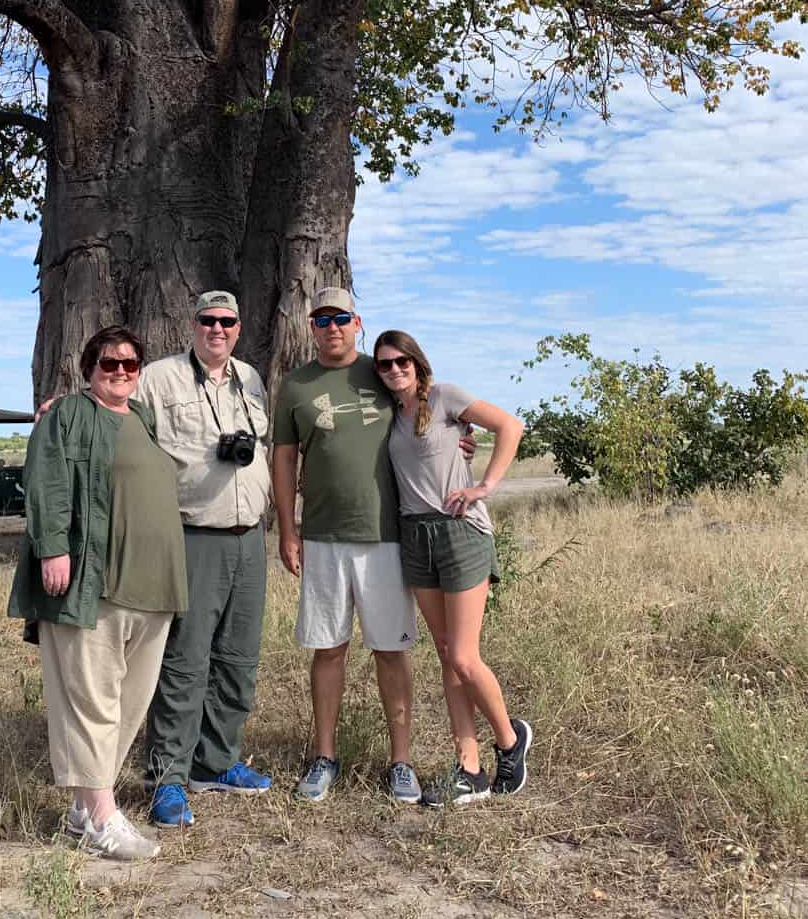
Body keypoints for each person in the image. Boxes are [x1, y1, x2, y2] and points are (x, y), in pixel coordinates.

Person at [7, 326, 188, 861]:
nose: (120, 372)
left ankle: (83, 810)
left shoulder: (144, 418)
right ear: (89, 367)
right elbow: (47, 479)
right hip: (95, 583)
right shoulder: (66, 415)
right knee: (90, 699)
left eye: (131, 365)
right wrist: (53, 547)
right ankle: (105, 818)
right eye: (109, 363)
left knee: (129, 702)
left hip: (153, 588)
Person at [271, 287, 424, 805]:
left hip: (385, 534)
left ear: (357, 322)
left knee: (391, 649)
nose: (331, 327)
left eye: (340, 318)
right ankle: (324, 756)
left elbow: (425, 417)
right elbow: (285, 460)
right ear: (310, 326)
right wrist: (287, 530)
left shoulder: (382, 370)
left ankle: (401, 761)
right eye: (321, 319)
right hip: (322, 535)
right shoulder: (295, 385)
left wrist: (461, 438)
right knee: (328, 647)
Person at [372, 329, 532, 806]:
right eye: (384, 364)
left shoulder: (445, 398)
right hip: (415, 537)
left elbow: (511, 426)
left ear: (418, 364)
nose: (394, 370)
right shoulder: (390, 415)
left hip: (459, 531)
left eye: (402, 361)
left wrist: (484, 485)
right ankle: (469, 767)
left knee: (464, 655)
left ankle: (509, 741)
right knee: (445, 654)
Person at [138, 290, 272, 828]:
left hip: (249, 537)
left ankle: (216, 761)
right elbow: (116, 418)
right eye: (207, 320)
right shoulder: (159, 378)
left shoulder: (252, 378)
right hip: (194, 533)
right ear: (192, 324)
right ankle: (167, 776)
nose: (217, 329)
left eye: (227, 322)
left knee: (238, 659)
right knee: (185, 660)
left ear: (239, 328)